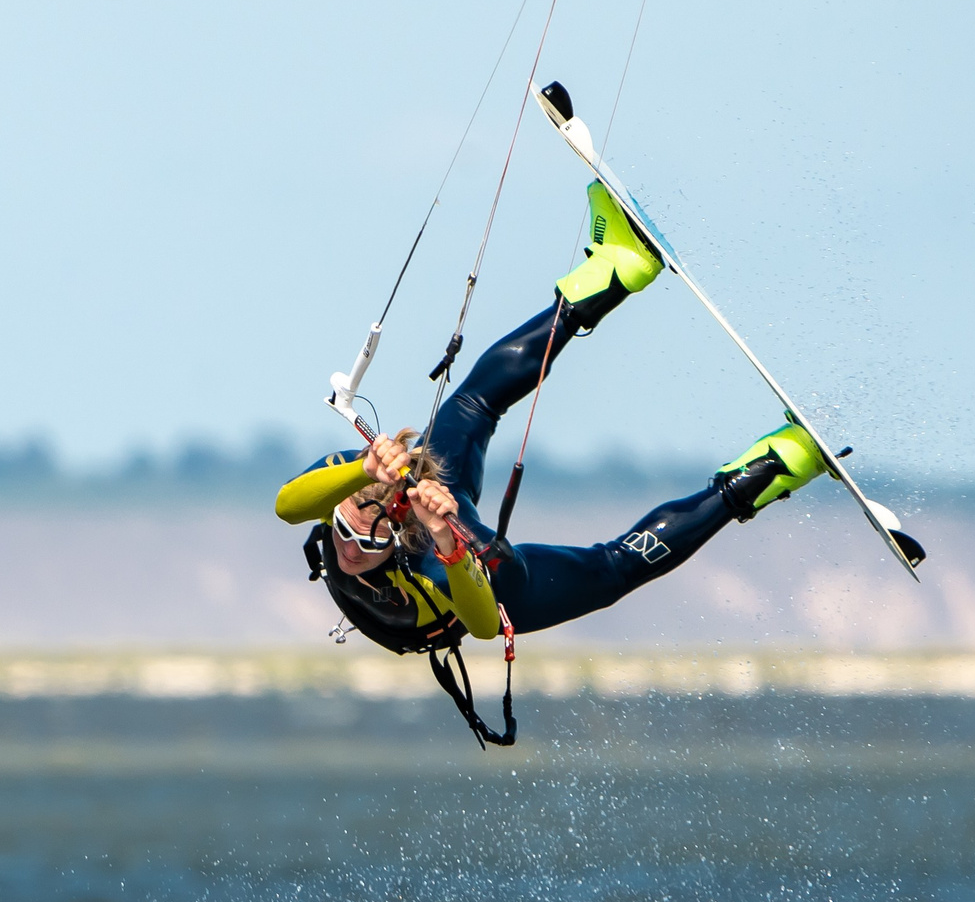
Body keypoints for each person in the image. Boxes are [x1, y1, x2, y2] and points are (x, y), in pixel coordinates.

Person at [275, 179, 923, 741]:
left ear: (383, 508)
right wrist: (446, 539)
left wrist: (373, 469)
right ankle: (774, 466)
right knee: (611, 568)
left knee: (473, 399)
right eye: (354, 538)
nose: (351, 543)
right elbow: (477, 621)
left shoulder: (363, 489)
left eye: (356, 528)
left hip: (434, 515)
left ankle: (613, 269)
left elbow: (286, 503)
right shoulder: (418, 580)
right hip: (482, 577)